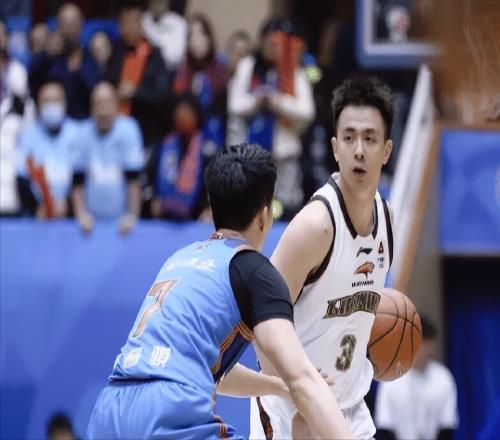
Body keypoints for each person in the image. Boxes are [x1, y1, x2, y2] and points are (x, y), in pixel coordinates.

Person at [87, 143, 353, 439]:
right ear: (264, 215)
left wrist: (278, 387)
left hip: (109, 413)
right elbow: (302, 377)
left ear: (213, 210)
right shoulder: (254, 270)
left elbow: (206, 368)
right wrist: (300, 388)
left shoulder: (179, 259)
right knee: (305, 427)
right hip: (168, 414)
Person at [249, 76, 395, 439]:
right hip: (289, 410)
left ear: (386, 150)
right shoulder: (316, 226)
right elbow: (260, 326)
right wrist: (296, 392)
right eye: (349, 138)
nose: (359, 150)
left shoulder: (388, 220)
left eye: (370, 139)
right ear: (334, 147)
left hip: (348, 408)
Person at [228, 18, 315, 219]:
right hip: (249, 160)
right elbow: (234, 105)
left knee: (285, 214)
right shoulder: (247, 66)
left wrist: (278, 102)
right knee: (250, 214)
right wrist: (257, 101)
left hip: (283, 158)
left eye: (278, 43)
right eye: (269, 42)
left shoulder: (295, 71)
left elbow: (307, 111)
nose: (272, 47)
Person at [72, 82, 143, 235]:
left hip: (121, 222)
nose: (103, 110)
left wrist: (132, 216)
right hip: (90, 223)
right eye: (98, 104)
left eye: (107, 103)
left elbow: (134, 180)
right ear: (91, 108)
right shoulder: (82, 133)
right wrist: (81, 214)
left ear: (116, 104)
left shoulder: (129, 130)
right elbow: (77, 182)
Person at [375, 315, 459, 440]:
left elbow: (447, 426)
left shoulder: (443, 378)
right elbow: (385, 427)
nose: (424, 349)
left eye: (428, 343)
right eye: (420, 343)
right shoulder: (391, 378)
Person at [105, 2, 171, 149]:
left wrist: (135, 92)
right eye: (124, 22)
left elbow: (162, 95)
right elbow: (106, 82)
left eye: (133, 22)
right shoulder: (115, 51)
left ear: (141, 24)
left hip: (144, 130)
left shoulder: (155, 55)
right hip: (113, 126)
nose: (129, 28)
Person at [16, 81, 80, 219]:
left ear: (65, 103)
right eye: (47, 101)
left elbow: (82, 177)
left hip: (73, 215)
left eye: (56, 100)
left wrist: (69, 205)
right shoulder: (27, 135)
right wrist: (37, 207)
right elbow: (21, 178)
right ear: (38, 105)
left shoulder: (77, 133)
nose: (52, 106)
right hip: (38, 216)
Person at [148, 92, 214, 221]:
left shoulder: (207, 151)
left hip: (196, 220)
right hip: (163, 218)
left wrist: (209, 208)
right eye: (179, 112)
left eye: (187, 112)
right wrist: (152, 200)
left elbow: (216, 187)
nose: (182, 116)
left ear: (196, 116)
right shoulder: (163, 146)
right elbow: (149, 177)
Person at [28, 3, 100, 119]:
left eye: (74, 23)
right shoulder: (47, 57)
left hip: (81, 121)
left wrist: (78, 71)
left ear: (81, 25)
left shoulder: (88, 57)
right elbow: (31, 80)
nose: (70, 28)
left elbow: (95, 89)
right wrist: (46, 55)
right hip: (49, 121)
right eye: (65, 23)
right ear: (58, 26)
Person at [173, 14, 228, 149]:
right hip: (188, 140)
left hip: (217, 137)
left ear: (209, 38)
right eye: (191, 36)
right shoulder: (182, 73)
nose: (196, 41)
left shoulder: (221, 68)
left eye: (201, 34)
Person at [142, 0, 187, 69]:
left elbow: (175, 58)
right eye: (154, 2)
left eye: (161, 2)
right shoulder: (143, 19)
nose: (157, 4)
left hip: (169, 69)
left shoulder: (179, 23)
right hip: (144, 65)